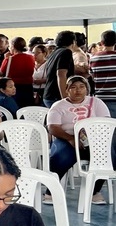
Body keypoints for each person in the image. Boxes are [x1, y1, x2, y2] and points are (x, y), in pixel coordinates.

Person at [46, 75, 112, 205]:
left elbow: (106, 123)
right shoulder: (58, 106)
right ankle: (50, 191)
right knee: (60, 157)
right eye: (73, 87)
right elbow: (53, 128)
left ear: (87, 89)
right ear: (67, 90)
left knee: (106, 157)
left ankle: (95, 191)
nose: (78, 90)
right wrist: (71, 139)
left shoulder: (96, 103)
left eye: (82, 87)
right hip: (66, 138)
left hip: (93, 140)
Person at [0, 36, 35, 108]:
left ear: (13, 46)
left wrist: (5, 59)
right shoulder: (31, 57)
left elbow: (0, 73)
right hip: (28, 88)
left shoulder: (10, 59)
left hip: (14, 88)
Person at [43, 31, 76, 107]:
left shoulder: (54, 52)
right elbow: (61, 74)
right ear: (73, 42)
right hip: (56, 95)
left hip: (49, 94)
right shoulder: (66, 52)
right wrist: (65, 97)